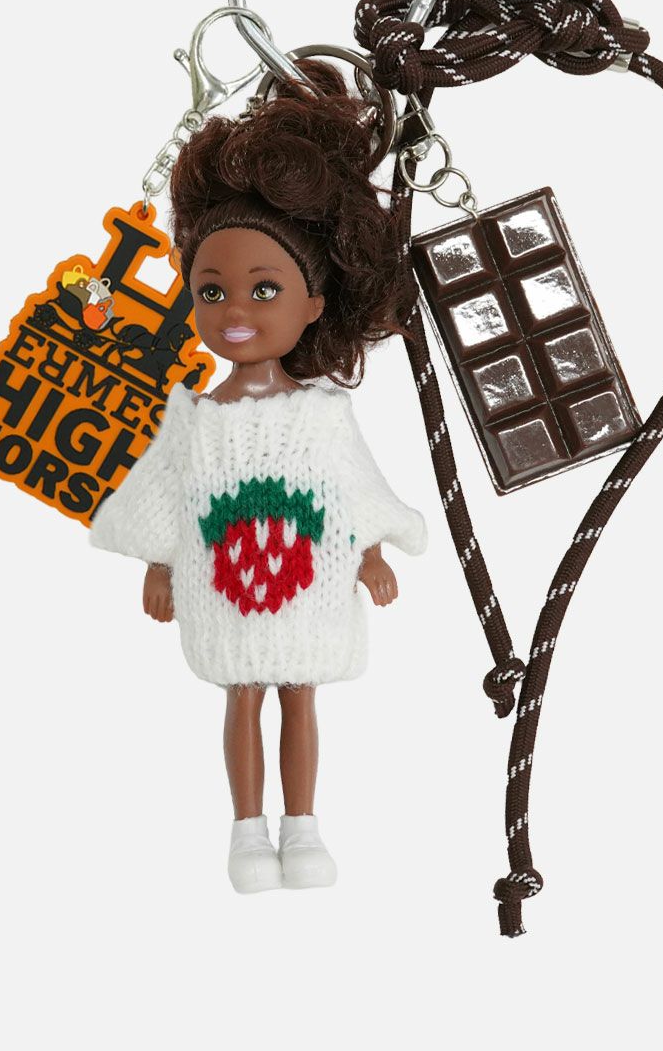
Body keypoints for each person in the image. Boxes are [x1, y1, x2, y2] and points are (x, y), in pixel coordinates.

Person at [89, 60, 427, 893]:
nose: (235, 312)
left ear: (314, 304)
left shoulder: (322, 413)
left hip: (308, 584)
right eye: (212, 292)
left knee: (301, 695)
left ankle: (302, 825)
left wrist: (371, 550)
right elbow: (164, 492)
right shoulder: (191, 416)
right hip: (224, 587)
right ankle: (248, 830)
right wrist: (159, 563)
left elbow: (353, 490)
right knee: (241, 695)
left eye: (264, 289)